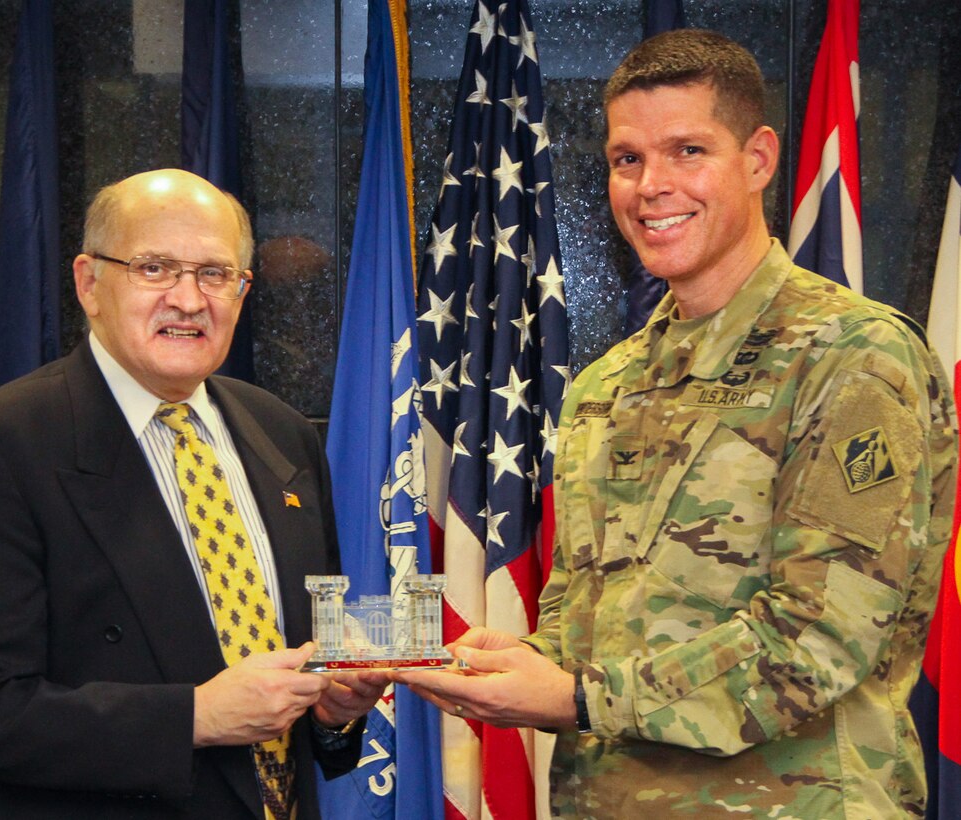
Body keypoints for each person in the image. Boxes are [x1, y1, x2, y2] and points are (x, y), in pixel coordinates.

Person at [395, 29, 958, 818]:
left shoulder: (852, 357)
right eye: (628, 159)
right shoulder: (607, 385)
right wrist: (519, 660)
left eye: (688, 151)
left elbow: (816, 640)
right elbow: (589, 615)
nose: (651, 185)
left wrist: (574, 695)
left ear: (759, 159)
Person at [0, 168, 385, 819]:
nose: (190, 300)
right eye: (156, 268)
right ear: (88, 283)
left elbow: (297, 691)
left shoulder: (285, 437)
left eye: (216, 274)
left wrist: (332, 712)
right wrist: (196, 716)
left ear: (243, 291)